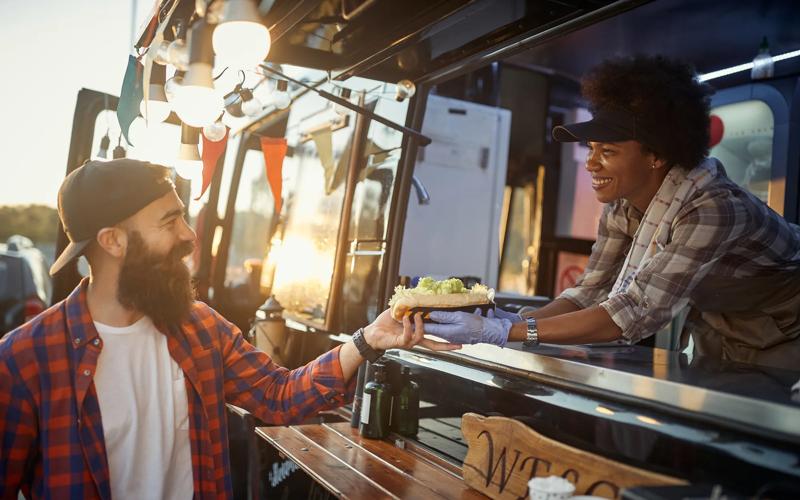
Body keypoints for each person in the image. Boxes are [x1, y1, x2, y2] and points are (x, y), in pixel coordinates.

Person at [0, 159, 460, 499]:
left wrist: (366, 341)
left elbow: (278, 396)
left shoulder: (197, 325)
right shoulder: (25, 360)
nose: (188, 235)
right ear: (113, 241)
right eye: (169, 221)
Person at [426, 55, 800, 369]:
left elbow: (636, 311)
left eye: (608, 151)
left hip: (787, 330)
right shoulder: (621, 207)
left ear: (656, 154)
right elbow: (591, 291)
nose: (591, 164)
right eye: (590, 149)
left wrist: (507, 333)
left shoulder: (712, 208)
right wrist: (513, 320)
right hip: (721, 326)